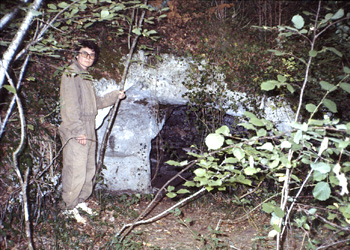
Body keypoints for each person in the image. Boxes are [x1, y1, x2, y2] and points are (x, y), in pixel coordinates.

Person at [58, 40, 125, 219]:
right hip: (76, 126)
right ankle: (69, 206)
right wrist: (77, 130)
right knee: (75, 167)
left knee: (88, 166)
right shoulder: (71, 74)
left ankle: (80, 200)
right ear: (77, 55)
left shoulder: (85, 76)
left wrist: (114, 96)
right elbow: (70, 106)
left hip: (88, 125)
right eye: (85, 53)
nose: (88, 57)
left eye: (92, 55)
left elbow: (97, 103)